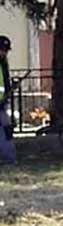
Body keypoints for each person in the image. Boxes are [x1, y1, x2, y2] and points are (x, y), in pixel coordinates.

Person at [0, 35, 15, 164]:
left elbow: (4, 82)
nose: (4, 52)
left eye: (5, 50)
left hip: (2, 103)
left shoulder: (3, 63)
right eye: (2, 49)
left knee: (7, 130)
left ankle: (9, 158)